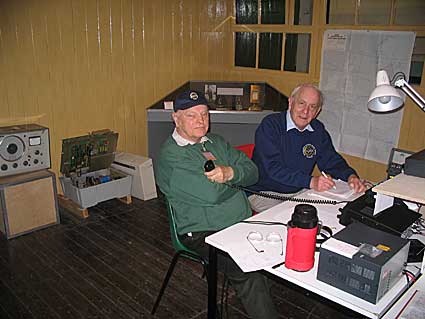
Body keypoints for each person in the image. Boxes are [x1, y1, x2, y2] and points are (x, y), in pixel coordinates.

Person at [155, 90, 278, 319]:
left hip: (238, 223)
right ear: (176, 118)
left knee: (276, 245)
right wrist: (238, 181)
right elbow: (212, 195)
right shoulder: (171, 157)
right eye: (192, 115)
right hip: (202, 232)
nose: (201, 120)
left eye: (204, 114)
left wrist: (230, 172)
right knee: (248, 270)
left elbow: (253, 172)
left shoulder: (216, 142)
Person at [249, 83, 366, 212]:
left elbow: (331, 160)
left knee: (328, 212)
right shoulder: (271, 125)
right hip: (264, 193)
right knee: (296, 221)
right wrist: (311, 182)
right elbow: (273, 168)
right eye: (301, 103)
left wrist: (350, 176)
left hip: (297, 190)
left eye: (312, 107)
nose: (306, 111)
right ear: (290, 102)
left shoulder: (318, 130)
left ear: (317, 111)